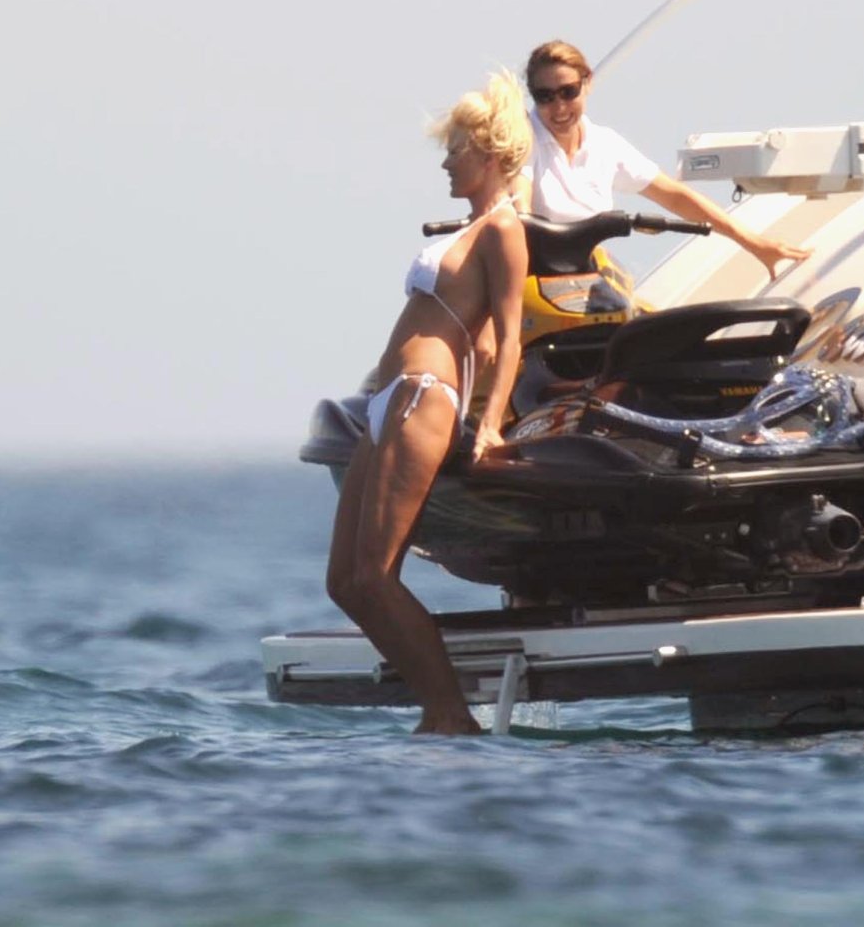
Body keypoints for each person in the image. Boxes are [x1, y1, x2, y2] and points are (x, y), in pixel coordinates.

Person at [325, 73, 531, 736]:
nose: (446, 162)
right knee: (344, 582)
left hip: (424, 398)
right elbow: (477, 337)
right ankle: (444, 709)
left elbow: (509, 338)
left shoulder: (504, 230)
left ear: (489, 154)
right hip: (390, 401)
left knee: (375, 576)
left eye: (456, 149)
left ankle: (448, 714)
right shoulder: (468, 229)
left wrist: (490, 424)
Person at [517, 39, 811, 275]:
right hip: (527, 278)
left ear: (587, 83)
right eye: (545, 96)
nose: (559, 107)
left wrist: (754, 243)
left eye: (568, 92)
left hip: (585, 278)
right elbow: (520, 205)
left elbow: (675, 197)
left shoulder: (603, 143)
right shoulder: (521, 140)